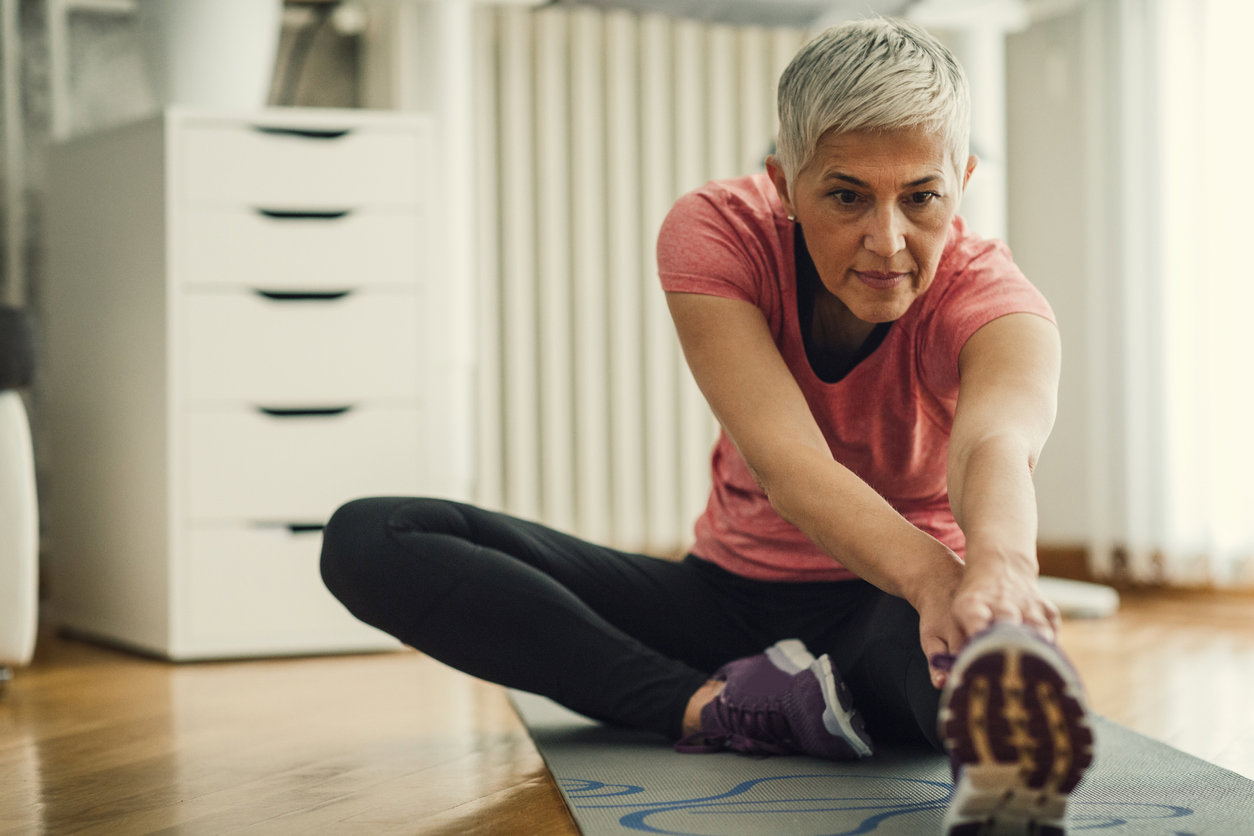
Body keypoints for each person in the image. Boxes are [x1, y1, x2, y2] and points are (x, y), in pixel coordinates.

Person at [320, 16, 1093, 834]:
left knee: (956, 651)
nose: (887, 240)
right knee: (373, 538)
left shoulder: (998, 303)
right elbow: (789, 465)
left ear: (962, 181)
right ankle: (716, 707)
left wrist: (994, 574)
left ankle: (995, 749)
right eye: (845, 196)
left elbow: (993, 445)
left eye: (922, 197)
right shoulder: (720, 230)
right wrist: (944, 578)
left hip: (889, 608)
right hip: (726, 604)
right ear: (784, 182)